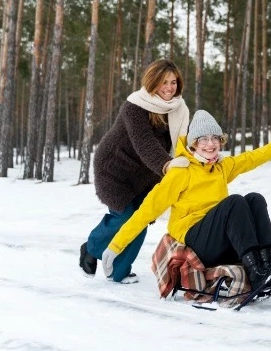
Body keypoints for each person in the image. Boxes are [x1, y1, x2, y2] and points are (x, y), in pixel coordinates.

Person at [100, 110, 271, 292]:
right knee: (234, 202)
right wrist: (115, 246)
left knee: (254, 199)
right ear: (193, 143)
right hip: (196, 242)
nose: (210, 144)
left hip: (220, 238)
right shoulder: (181, 172)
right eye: (203, 139)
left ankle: (265, 265)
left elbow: (252, 158)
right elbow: (147, 211)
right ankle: (255, 274)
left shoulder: (221, 166)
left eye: (215, 138)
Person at [79, 59, 191, 284]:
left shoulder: (178, 109)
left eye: (173, 82)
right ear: (152, 83)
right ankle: (91, 248)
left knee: (141, 218)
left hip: (147, 173)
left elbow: (182, 143)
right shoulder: (135, 106)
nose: (170, 88)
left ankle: (119, 271)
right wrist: (168, 165)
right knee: (124, 216)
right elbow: (144, 143)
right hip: (115, 170)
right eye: (163, 82)